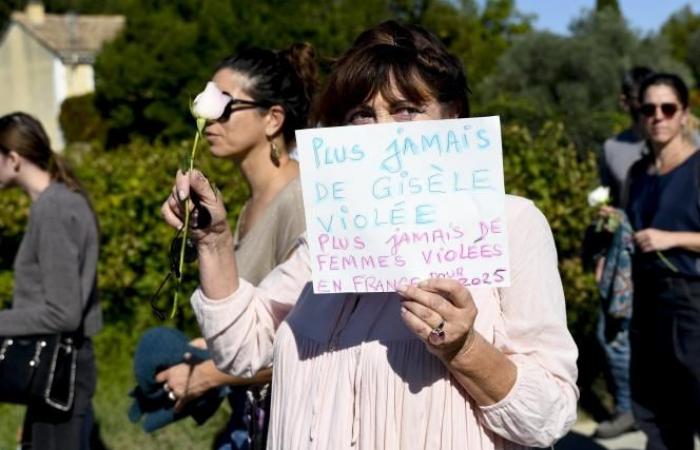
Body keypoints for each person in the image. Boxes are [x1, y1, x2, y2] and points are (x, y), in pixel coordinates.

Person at [162, 21, 578, 449]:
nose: (381, 131)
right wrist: (213, 242)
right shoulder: (331, 238)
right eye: (361, 114)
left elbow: (549, 416)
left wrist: (464, 349)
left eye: (406, 110)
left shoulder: (511, 224)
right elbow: (240, 350)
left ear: (451, 115)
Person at [153, 43, 315, 450]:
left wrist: (208, 376)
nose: (209, 120)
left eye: (225, 106)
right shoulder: (245, 207)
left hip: (295, 423)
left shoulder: (301, 199)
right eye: (204, 105)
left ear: (272, 118)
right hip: (253, 417)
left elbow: (307, 341)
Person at [0, 112, 101, 450]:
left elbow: (64, 313)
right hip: (52, 370)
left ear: (13, 159)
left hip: (60, 370)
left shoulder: (54, 209)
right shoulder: (57, 201)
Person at [625, 73, 700, 450]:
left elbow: (667, 235)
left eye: (668, 108)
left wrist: (672, 239)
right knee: (657, 412)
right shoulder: (638, 174)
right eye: (649, 109)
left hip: (691, 302)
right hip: (646, 302)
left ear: (684, 114)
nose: (658, 116)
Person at [591, 66, 653, 439]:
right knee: (612, 333)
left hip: (677, 252)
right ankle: (628, 408)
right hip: (625, 257)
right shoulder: (613, 148)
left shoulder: (689, 141)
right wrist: (601, 255)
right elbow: (608, 204)